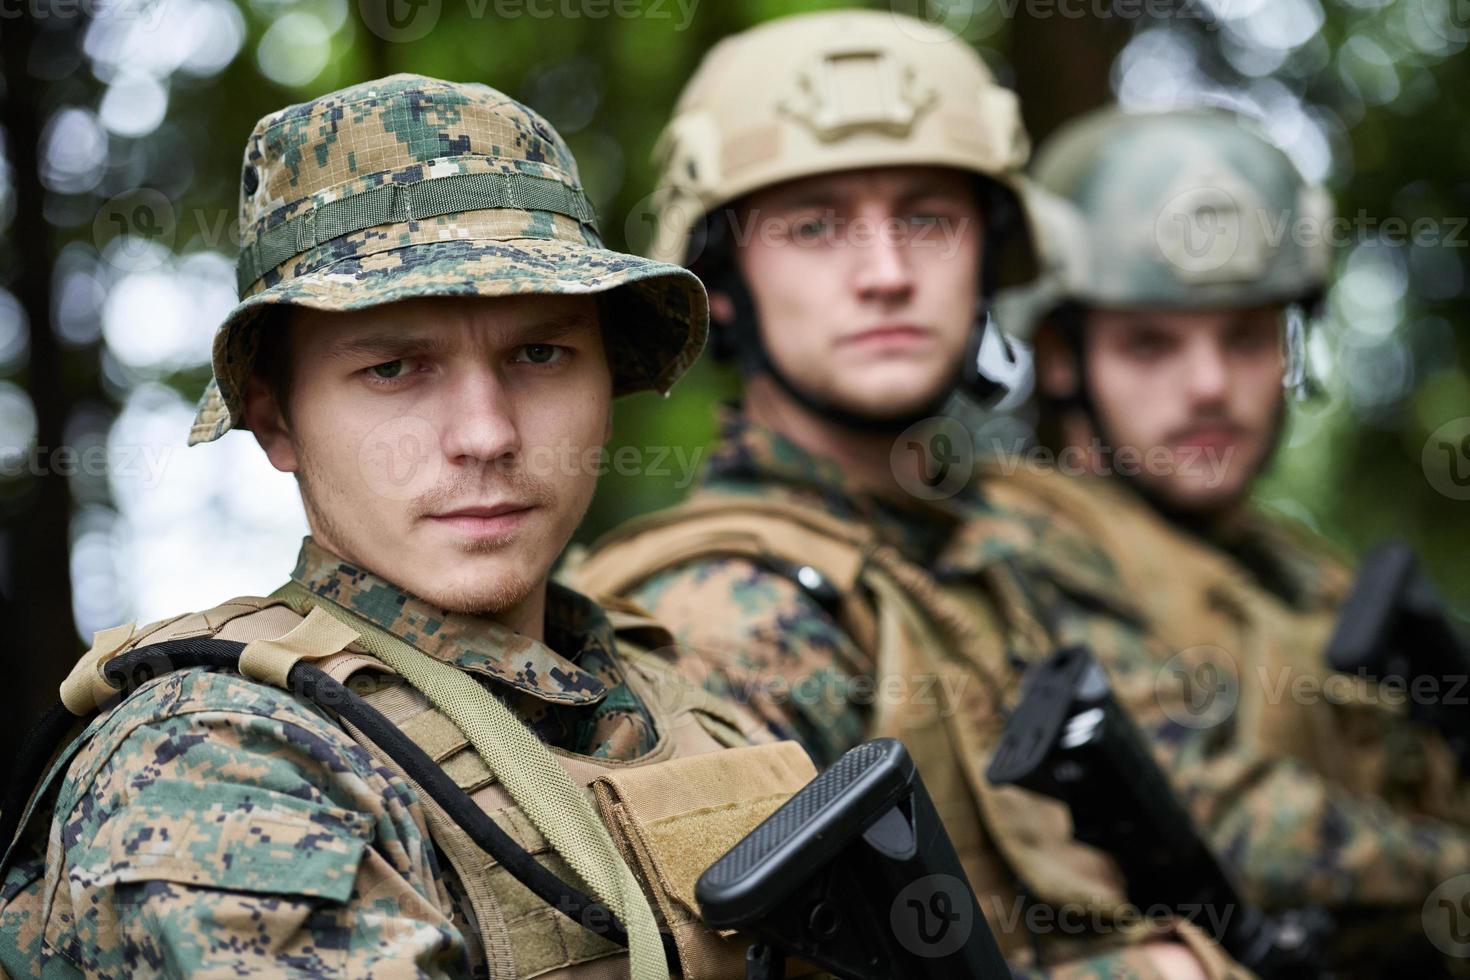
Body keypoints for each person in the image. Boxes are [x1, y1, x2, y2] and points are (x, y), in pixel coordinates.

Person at [0, 74, 830, 979]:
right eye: (395, 368)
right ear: (277, 419)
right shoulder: (216, 762)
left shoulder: (688, 701)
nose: (487, 435)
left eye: (541, 353)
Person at [570, 12, 1247, 978]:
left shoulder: (984, 547)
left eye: (928, 218)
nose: (886, 274)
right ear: (721, 282)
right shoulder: (724, 610)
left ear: (987, 257)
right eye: (814, 225)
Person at [985, 107, 1470, 967]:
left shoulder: (1298, 567)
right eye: (1151, 344)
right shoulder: (1018, 544)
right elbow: (1223, 816)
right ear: (1060, 356)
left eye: (1247, 337)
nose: (1210, 386)